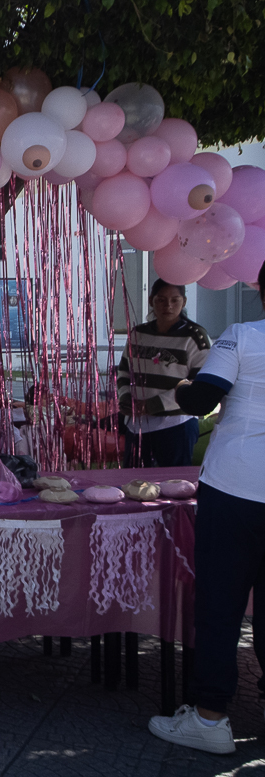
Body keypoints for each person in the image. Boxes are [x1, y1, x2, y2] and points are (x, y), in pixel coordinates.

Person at [148, 262, 265, 754]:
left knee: (220, 604)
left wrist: (178, 388)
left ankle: (211, 718)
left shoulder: (241, 336)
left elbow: (202, 400)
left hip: (235, 489)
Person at [117, 279, 211, 467]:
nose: (168, 306)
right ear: (151, 301)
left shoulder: (195, 337)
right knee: (133, 483)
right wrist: (126, 398)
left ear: (183, 302)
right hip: (137, 425)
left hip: (176, 424)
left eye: (174, 300)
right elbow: (124, 372)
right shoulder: (138, 334)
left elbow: (198, 383)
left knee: (173, 485)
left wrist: (154, 404)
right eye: (161, 300)